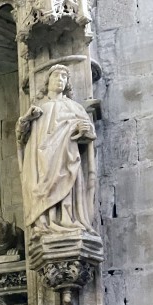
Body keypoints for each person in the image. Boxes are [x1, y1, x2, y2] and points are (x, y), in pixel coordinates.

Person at [16, 64, 97, 237]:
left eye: (63, 77)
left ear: (67, 83)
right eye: (56, 76)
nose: (60, 80)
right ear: (48, 82)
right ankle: (46, 222)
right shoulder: (39, 108)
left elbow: (88, 134)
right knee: (43, 188)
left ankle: (68, 219)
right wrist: (26, 119)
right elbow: (21, 136)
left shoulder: (75, 107)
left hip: (67, 157)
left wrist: (84, 129)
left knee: (68, 187)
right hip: (43, 160)